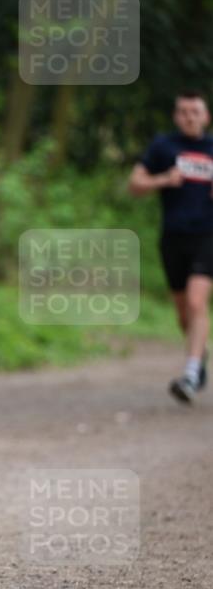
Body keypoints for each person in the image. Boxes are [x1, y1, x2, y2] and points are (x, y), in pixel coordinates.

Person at [129, 92, 213, 403]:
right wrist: (164, 179)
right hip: (173, 238)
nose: (189, 117)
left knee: (195, 301)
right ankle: (199, 355)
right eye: (183, 111)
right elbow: (135, 184)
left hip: (208, 236)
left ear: (206, 117)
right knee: (183, 313)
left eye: (195, 111)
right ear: (176, 116)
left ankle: (190, 373)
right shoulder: (164, 147)